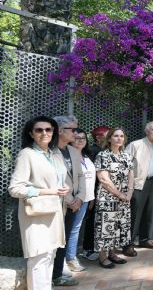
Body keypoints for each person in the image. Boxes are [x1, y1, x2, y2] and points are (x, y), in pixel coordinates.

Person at [9, 116, 68, 290]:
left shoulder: (54, 154)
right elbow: (15, 188)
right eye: (39, 130)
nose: (44, 133)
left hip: (55, 212)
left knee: (50, 255)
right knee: (38, 258)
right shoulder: (27, 154)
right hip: (36, 215)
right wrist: (48, 191)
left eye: (48, 129)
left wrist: (61, 187)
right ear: (31, 133)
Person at [51, 115, 87, 286]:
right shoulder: (49, 151)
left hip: (74, 204)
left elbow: (80, 176)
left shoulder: (73, 151)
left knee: (63, 240)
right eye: (72, 130)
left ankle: (57, 274)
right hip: (58, 205)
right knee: (53, 242)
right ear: (60, 131)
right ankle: (51, 275)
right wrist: (69, 200)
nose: (75, 132)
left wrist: (79, 198)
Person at [124, 121, 153, 252]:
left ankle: (145, 239)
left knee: (151, 212)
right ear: (146, 131)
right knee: (135, 213)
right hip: (138, 183)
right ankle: (128, 243)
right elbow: (125, 165)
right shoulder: (135, 145)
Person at [94, 128, 134, 269]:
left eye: (122, 136)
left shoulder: (126, 156)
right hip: (108, 197)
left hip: (124, 198)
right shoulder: (103, 155)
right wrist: (119, 194)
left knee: (118, 225)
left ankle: (112, 253)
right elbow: (103, 179)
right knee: (106, 227)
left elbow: (130, 175)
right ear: (109, 138)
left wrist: (129, 193)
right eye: (116, 136)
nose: (119, 138)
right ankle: (103, 256)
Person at [66, 129, 96, 272]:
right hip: (73, 199)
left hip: (86, 198)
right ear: (71, 139)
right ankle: (70, 259)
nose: (80, 140)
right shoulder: (68, 156)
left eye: (83, 138)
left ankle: (70, 257)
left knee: (76, 229)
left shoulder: (87, 155)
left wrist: (91, 198)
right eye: (77, 138)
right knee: (72, 230)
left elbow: (90, 180)